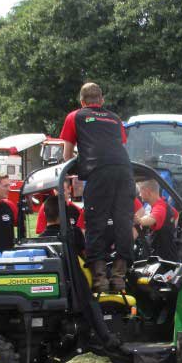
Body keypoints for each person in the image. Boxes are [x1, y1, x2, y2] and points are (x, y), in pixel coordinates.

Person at [60, 82, 134, 292]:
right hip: (124, 170)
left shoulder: (75, 116)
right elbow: (118, 146)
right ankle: (119, 277)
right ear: (101, 101)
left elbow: (67, 155)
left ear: (82, 102)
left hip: (98, 173)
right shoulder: (115, 118)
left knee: (95, 223)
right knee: (123, 222)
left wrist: (74, 169)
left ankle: (100, 280)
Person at [134, 179, 179, 261]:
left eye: (141, 191)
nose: (139, 195)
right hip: (168, 254)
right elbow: (176, 215)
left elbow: (151, 218)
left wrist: (140, 220)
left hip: (164, 259)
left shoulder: (160, 208)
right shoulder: (163, 205)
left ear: (148, 192)